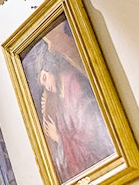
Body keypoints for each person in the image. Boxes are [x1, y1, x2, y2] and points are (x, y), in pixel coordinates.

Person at [33, 46, 114, 180]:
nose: (46, 87)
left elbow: (89, 135)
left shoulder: (74, 84)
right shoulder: (61, 95)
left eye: (45, 78)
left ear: (51, 67)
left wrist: (59, 137)